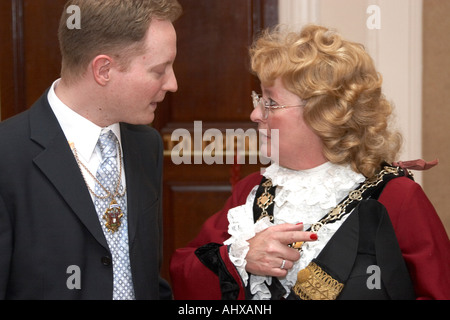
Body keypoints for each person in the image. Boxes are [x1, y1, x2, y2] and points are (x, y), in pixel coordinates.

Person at [170, 24, 450, 300]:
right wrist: (240, 258)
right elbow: (185, 274)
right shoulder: (252, 190)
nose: (255, 114)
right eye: (259, 98)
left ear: (324, 114)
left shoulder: (397, 198)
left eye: (270, 103)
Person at [0, 0, 182, 299]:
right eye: (159, 70)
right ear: (104, 69)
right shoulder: (8, 157)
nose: (172, 83)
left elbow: (145, 276)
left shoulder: (145, 145)